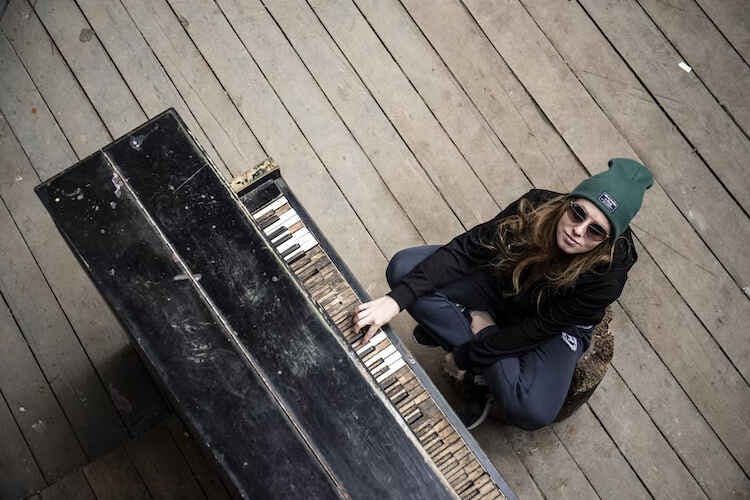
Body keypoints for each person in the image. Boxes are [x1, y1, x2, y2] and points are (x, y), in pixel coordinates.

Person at [352, 158, 653, 431]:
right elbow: (467, 250)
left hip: (552, 326)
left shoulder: (608, 276)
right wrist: (394, 300)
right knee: (406, 269)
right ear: (569, 201)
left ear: (607, 241)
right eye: (577, 213)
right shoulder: (535, 206)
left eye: (595, 231)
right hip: (509, 284)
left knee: (532, 409)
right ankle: (487, 359)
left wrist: (468, 353)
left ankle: (476, 366)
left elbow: (539, 329)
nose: (578, 230)